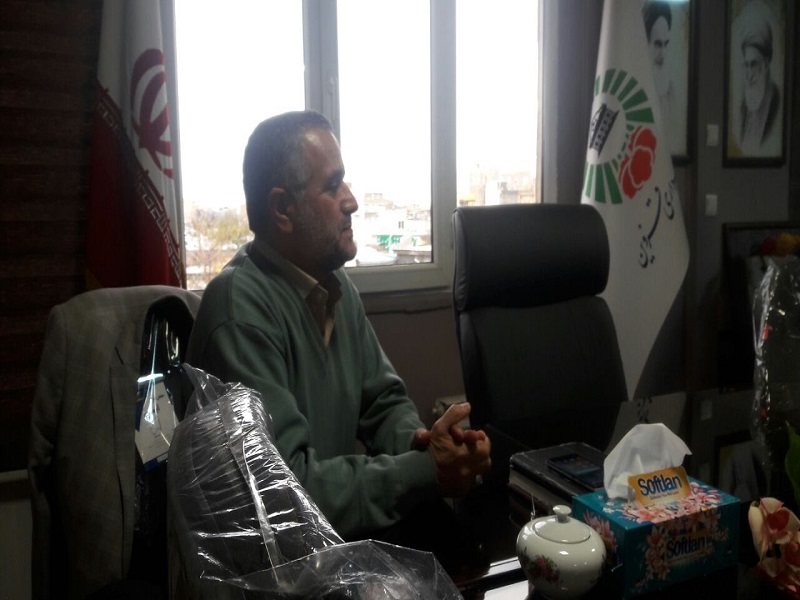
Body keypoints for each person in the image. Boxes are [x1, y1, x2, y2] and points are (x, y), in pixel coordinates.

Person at [186, 110, 491, 543]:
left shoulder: (335, 285)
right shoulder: (239, 309)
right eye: (333, 186)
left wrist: (426, 443)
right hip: (276, 564)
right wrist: (425, 471)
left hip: (332, 545)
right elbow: (285, 492)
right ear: (282, 209)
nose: (351, 201)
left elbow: (383, 402)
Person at [736, 6, 781, 155]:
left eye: (754, 64)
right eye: (746, 65)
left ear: (766, 65)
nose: (749, 75)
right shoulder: (744, 105)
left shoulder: (775, 102)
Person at [643, 1, 677, 151]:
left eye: (666, 44)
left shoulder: (671, 93)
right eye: (657, 44)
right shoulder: (634, 90)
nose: (662, 54)